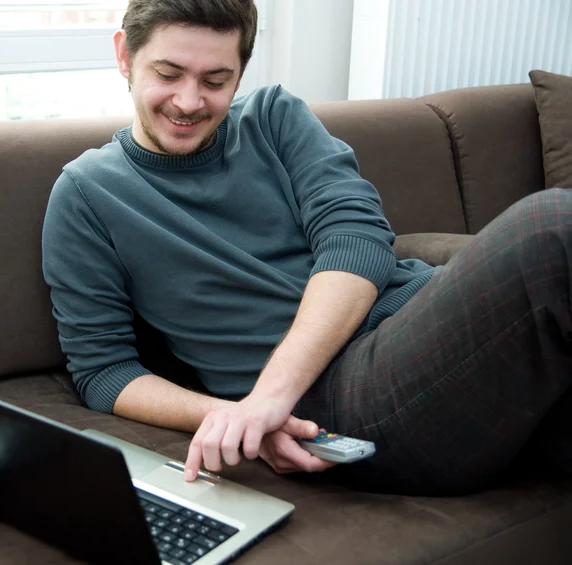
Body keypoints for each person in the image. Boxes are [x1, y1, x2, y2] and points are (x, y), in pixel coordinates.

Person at [42, 0, 572, 496]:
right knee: (550, 225)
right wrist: (246, 415)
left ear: (240, 75)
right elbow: (104, 372)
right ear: (124, 56)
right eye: (167, 74)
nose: (188, 101)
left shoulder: (273, 116)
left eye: (215, 80)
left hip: (423, 333)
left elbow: (357, 237)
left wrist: (268, 396)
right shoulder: (87, 194)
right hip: (336, 398)